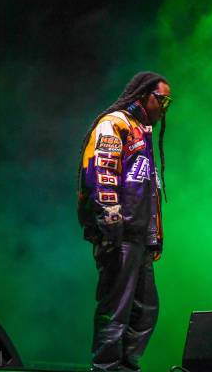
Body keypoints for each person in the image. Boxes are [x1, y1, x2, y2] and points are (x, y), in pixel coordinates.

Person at [77, 71, 172, 372]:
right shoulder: (114, 123)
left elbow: (148, 190)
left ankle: (126, 368)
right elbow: (101, 175)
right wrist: (111, 228)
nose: (165, 107)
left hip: (139, 237)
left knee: (145, 313)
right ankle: (105, 369)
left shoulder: (141, 131)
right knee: (115, 310)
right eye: (162, 99)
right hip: (120, 236)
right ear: (145, 94)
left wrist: (154, 234)